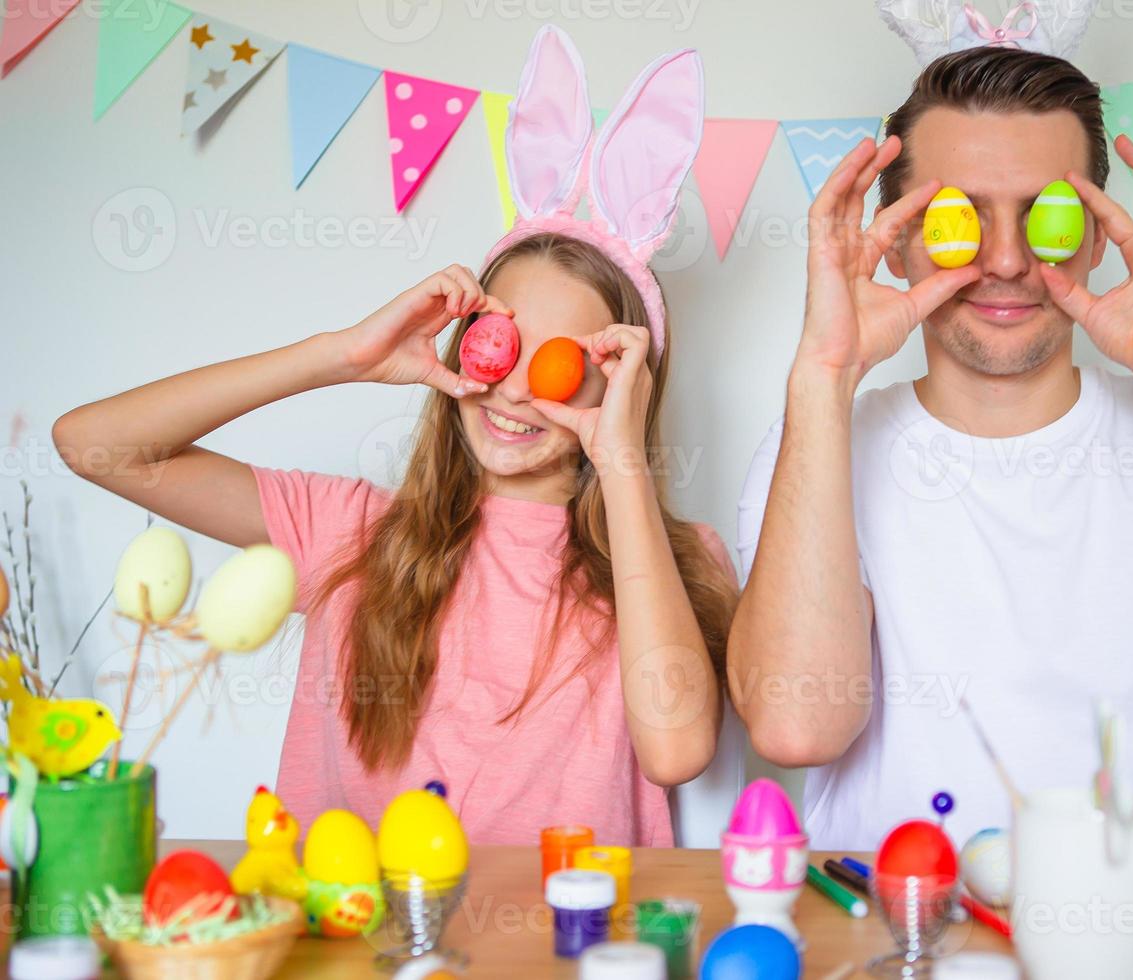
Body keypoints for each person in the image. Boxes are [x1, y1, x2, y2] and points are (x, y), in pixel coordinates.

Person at [52, 27, 734, 846]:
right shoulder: (350, 531)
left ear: (622, 382)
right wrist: (339, 355)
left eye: (558, 362)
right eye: (500, 340)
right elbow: (95, 444)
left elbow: (678, 746)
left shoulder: (675, 560)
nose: (514, 385)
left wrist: (621, 464)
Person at [728, 43, 1133, 855]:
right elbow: (797, 723)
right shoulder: (818, 435)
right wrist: (824, 371)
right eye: (960, 218)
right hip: (906, 927)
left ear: (1096, 239)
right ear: (901, 241)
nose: (1009, 260)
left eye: (1044, 216)